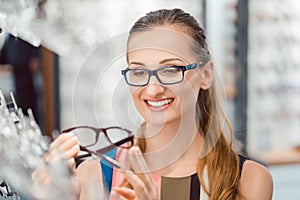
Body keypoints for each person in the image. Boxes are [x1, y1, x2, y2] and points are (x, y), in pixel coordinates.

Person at [33, 8, 273, 200]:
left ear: (206, 75)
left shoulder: (249, 180)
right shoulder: (92, 176)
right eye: (138, 72)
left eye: (170, 70)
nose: (153, 89)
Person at [0, 34, 40, 121]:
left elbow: (35, 62)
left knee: (30, 110)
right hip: (16, 78)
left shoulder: (26, 35)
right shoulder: (10, 37)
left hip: (28, 78)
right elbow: (3, 57)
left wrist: (36, 57)